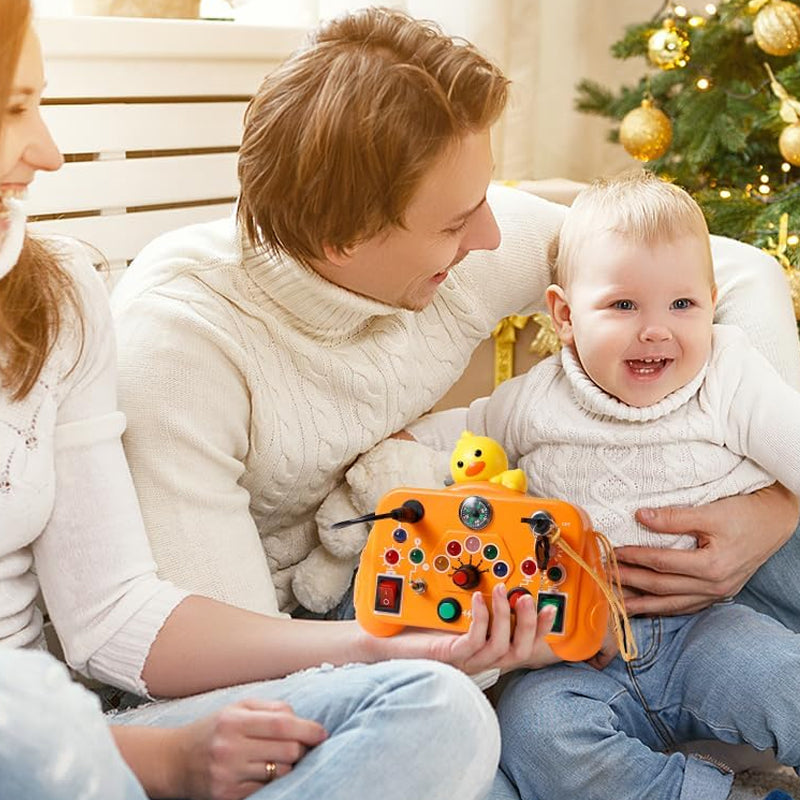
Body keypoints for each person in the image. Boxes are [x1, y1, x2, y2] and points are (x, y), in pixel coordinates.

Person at [0, 4, 558, 798]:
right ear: (346, 240)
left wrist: (381, 649)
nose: (49, 151)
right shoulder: (180, 343)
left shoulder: (54, 298)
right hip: (63, 743)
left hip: (87, 733)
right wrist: (160, 761)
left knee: (441, 713)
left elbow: (112, 616)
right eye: (17, 108)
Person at [110, 7, 800, 633]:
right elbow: (233, 655)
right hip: (333, 617)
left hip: (476, 546)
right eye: (455, 220)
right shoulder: (180, 348)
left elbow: (741, 271)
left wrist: (772, 513)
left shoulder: (464, 247)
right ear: (344, 240)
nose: (493, 235)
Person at [456, 172, 800, 800]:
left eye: (682, 305)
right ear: (564, 315)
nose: (655, 329)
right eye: (623, 305)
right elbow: (462, 435)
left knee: (786, 679)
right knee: (537, 735)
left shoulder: (727, 372)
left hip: (706, 627)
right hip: (572, 653)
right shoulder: (535, 400)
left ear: (711, 302)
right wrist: (393, 454)